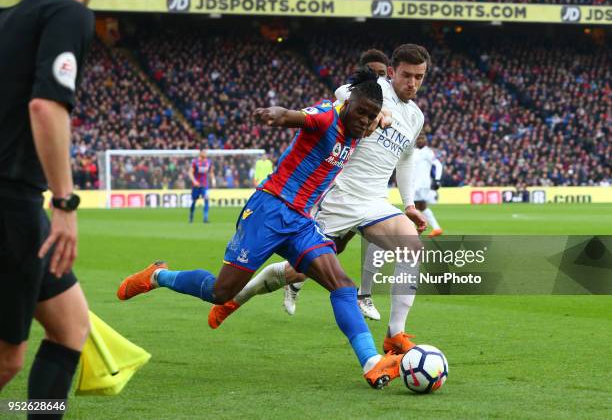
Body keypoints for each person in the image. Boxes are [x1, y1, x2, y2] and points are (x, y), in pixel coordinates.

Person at [117, 68, 405, 389]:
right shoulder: (327, 116)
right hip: (268, 210)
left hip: (300, 221)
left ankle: (371, 362)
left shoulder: (362, 126)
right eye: (361, 113)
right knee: (220, 292)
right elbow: (298, 117)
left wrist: (383, 118)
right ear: (348, 104)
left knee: (342, 285)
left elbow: (377, 118)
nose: (364, 121)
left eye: (370, 116)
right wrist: (278, 115)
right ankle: (158, 275)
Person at [209, 44, 430, 356]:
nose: (412, 83)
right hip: (335, 198)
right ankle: (236, 298)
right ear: (392, 72)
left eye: (419, 77)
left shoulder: (415, 116)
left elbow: (405, 160)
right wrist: (377, 111)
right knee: (296, 271)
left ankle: (395, 335)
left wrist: (408, 204)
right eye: (406, 75)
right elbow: (342, 94)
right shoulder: (376, 90)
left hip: (374, 201)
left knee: (411, 248)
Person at [0, 0, 103, 411]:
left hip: (15, 200)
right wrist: (64, 202)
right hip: (12, 199)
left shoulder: (9, 18)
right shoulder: (70, 13)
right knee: (7, 359)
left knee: (70, 325)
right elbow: (46, 106)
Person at [413, 134, 443, 238]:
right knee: (420, 207)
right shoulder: (415, 152)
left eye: (423, 139)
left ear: (426, 140)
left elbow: (438, 165)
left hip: (422, 184)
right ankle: (436, 228)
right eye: (419, 139)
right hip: (414, 184)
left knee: (412, 207)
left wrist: (437, 180)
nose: (421, 140)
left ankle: (414, 231)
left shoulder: (428, 152)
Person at [188, 149, 214, 223]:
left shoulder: (209, 162)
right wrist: (194, 181)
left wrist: (213, 179)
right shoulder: (195, 162)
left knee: (206, 200)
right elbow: (190, 172)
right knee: (194, 201)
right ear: (200, 153)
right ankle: (191, 217)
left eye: (206, 152)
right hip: (196, 185)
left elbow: (211, 172)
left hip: (204, 185)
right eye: (204, 152)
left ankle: (205, 218)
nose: (205, 153)